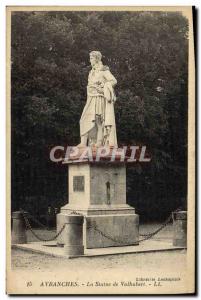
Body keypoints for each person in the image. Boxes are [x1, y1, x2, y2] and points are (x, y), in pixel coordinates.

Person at [78, 51, 118, 147]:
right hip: (91, 99)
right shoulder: (91, 72)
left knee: (98, 121)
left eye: (91, 58)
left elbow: (113, 81)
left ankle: (99, 142)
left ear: (96, 59)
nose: (90, 60)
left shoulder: (103, 70)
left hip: (99, 98)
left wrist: (103, 87)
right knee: (84, 119)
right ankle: (83, 143)